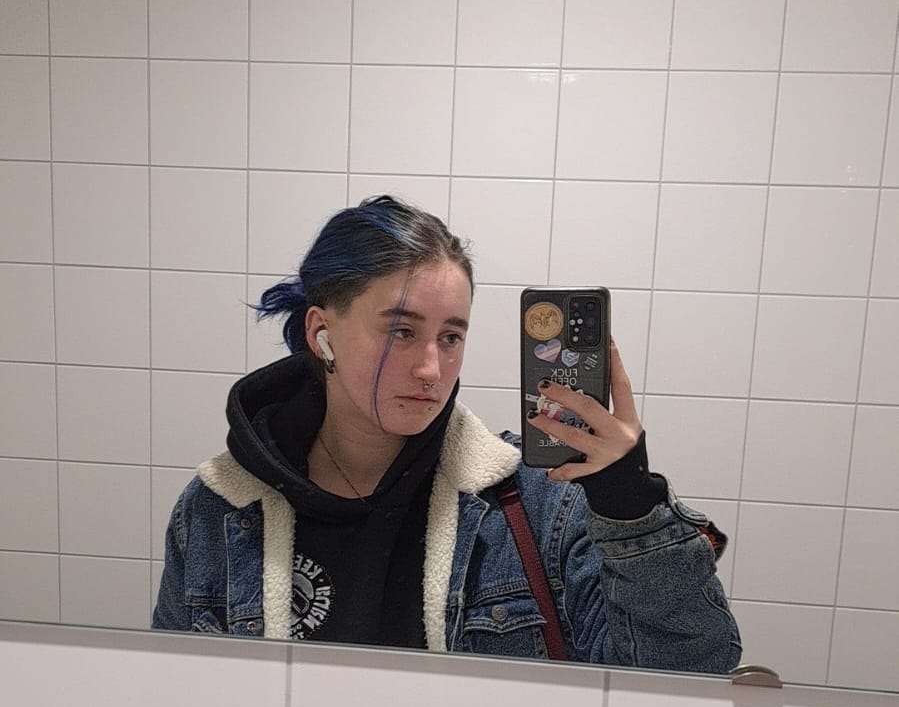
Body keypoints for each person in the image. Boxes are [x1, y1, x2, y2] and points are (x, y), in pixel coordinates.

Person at [153, 196, 741, 672]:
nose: (432, 369)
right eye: (402, 332)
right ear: (320, 332)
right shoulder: (218, 511)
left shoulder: (539, 505)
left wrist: (631, 508)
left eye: (451, 337)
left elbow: (685, 678)